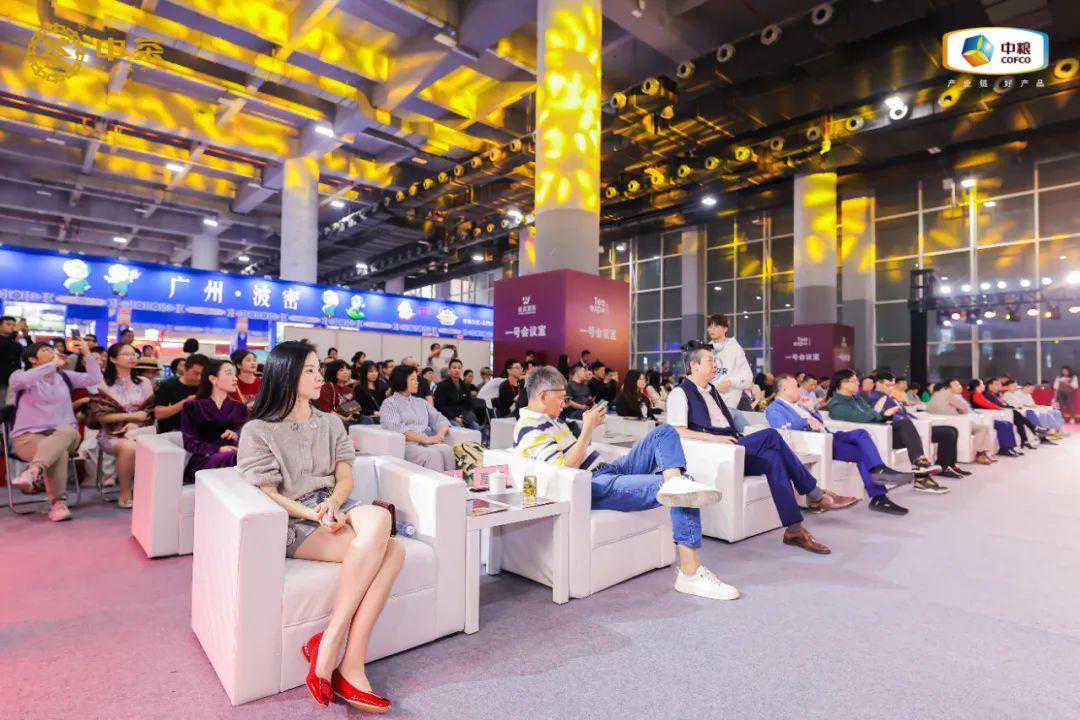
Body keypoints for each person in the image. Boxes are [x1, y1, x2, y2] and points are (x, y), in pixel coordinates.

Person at [237, 340, 400, 712]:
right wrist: (314, 515)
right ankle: (351, 667)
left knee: (381, 517)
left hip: (336, 505)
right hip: (298, 521)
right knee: (395, 549)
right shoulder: (258, 430)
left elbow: (345, 477)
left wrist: (334, 504)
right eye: (310, 370)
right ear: (286, 375)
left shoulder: (330, 422)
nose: (319, 377)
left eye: (318, 370)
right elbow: (269, 492)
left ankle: (328, 642)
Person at [514, 365, 737, 600]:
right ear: (543, 396)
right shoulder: (529, 429)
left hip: (607, 470)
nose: (565, 403)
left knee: (665, 432)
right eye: (561, 397)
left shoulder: (552, 421)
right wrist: (587, 429)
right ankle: (690, 574)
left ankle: (674, 482)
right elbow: (564, 470)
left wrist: (587, 431)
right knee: (685, 486)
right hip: (592, 483)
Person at [668, 343, 857, 554]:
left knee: (774, 459)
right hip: (716, 451)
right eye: (710, 361)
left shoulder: (712, 390)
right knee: (771, 434)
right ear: (694, 365)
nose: (715, 365)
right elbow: (677, 431)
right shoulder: (680, 393)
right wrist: (714, 438)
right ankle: (815, 493)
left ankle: (794, 530)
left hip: (734, 445)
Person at [766, 373, 911, 515]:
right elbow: (781, 429)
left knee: (861, 437)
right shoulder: (774, 408)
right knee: (861, 448)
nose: (799, 389)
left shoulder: (798, 405)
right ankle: (880, 490)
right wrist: (806, 422)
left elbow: (820, 422)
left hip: (829, 436)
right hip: (818, 443)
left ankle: (880, 486)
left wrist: (811, 409)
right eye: (795, 386)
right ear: (784, 389)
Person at [7, 338, 101, 521]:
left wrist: (87, 354)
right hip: (28, 437)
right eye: (46, 350)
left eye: (53, 350)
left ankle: (33, 471)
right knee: (59, 452)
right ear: (33, 359)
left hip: (67, 434)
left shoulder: (65, 377)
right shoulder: (19, 376)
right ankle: (58, 504)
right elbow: (26, 379)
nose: (53, 352)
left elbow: (95, 379)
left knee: (66, 432)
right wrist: (52, 365)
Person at [827, 369, 947, 493]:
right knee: (905, 427)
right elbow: (862, 417)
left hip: (881, 433)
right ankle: (920, 473)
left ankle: (920, 467)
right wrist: (883, 415)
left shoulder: (856, 398)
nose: (858, 383)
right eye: (854, 381)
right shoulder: (837, 404)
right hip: (872, 436)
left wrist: (880, 415)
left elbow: (871, 413)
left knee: (905, 425)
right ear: (843, 383)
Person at [90, 342, 155, 508]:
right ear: (113, 359)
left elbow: (150, 411)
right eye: (126, 354)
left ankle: (149, 492)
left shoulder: (144, 382)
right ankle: (125, 493)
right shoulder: (103, 383)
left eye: (134, 354)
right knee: (129, 447)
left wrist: (136, 424)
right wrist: (131, 416)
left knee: (160, 445)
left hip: (141, 430)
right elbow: (101, 416)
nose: (132, 357)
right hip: (111, 434)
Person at [867, 371, 966, 478]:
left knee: (951, 430)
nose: (891, 388)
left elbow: (904, 413)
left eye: (892, 386)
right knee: (947, 433)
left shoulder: (891, 397)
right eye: (888, 385)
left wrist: (916, 420)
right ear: (878, 383)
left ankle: (947, 465)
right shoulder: (875, 398)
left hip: (912, 426)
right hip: (900, 432)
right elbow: (879, 416)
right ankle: (933, 465)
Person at [180, 359, 247, 484]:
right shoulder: (193, 406)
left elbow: (247, 436)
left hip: (235, 456)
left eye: (235, 374)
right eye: (229, 373)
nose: (235, 379)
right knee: (235, 457)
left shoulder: (240, 407)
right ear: (213, 379)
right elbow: (189, 443)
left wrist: (236, 435)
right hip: (204, 459)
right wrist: (219, 449)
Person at [379, 364, 456, 471]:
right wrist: (426, 439)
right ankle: (435, 482)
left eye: (416, 379)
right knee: (432, 455)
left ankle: (451, 481)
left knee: (447, 450)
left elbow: (440, 419)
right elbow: (396, 428)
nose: (417, 382)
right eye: (412, 379)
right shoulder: (389, 403)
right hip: (407, 445)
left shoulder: (420, 402)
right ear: (401, 381)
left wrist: (440, 435)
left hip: (426, 442)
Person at [927, 379, 1003, 464]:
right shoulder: (949, 395)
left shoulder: (933, 396)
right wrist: (960, 412)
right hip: (958, 423)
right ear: (948, 387)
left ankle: (983, 454)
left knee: (981, 427)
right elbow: (964, 408)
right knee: (983, 428)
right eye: (956, 385)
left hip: (941, 424)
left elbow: (930, 410)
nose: (959, 387)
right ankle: (980, 454)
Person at [973, 377, 1048, 449]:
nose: (999, 386)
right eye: (997, 384)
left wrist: (1009, 407)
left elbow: (1002, 404)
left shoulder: (995, 394)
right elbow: (995, 405)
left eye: (999, 384)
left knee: (1019, 419)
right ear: (990, 385)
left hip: (1003, 412)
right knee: (1017, 415)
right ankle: (1031, 432)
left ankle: (1026, 438)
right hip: (997, 414)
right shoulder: (987, 394)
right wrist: (1007, 408)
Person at [706, 314, 754, 411]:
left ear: (725, 329)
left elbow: (748, 378)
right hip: (710, 401)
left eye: (716, 326)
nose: (712, 329)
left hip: (731, 402)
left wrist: (730, 383)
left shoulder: (735, 348)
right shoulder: (706, 349)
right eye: (710, 326)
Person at [965, 379, 1023, 457]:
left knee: (1008, 424)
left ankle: (1010, 447)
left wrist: (999, 408)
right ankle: (1004, 449)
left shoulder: (979, 394)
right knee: (1003, 425)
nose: (984, 386)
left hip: (988, 416)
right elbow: (987, 404)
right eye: (982, 385)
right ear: (977, 387)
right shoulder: (976, 395)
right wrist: (1000, 409)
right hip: (983, 419)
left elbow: (989, 404)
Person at [153, 353, 208, 434]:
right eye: (196, 373)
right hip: (171, 433)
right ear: (185, 369)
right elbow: (158, 414)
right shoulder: (169, 385)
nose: (199, 378)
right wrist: (184, 403)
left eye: (203, 374)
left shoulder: (207, 387)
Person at [433, 359, 480, 429]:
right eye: (454, 368)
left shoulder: (465, 386)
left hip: (463, 417)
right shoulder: (442, 386)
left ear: (462, 370)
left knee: (476, 427)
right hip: (447, 417)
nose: (457, 370)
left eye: (459, 368)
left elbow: (469, 404)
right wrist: (454, 417)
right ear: (449, 371)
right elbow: (439, 406)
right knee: (460, 429)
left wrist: (463, 416)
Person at [317, 360, 364, 424]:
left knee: (365, 420)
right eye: (341, 370)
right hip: (332, 421)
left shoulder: (349, 390)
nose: (346, 372)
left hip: (348, 419)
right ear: (333, 372)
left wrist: (355, 415)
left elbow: (353, 410)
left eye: (347, 369)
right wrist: (343, 419)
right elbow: (326, 410)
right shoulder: (326, 387)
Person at [0, 315, 22, 402]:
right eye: (8, 324)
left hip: (13, 380)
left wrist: (26, 335)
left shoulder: (14, 342)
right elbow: (3, 346)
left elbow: (28, 352)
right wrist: (15, 332)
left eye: (14, 325)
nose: (12, 327)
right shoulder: (9, 339)